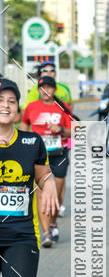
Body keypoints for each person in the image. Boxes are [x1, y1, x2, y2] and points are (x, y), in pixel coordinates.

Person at [0, 77, 59, 277]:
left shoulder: (30, 142)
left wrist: (48, 186)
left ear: (18, 108)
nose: (5, 106)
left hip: (20, 236)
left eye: (10, 101)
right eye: (0, 101)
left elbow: (45, 176)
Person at [21, 76, 72, 247]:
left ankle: (52, 222)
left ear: (54, 90)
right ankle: (47, 234)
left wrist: (61, 129)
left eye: (49, 88)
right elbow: (23, 125)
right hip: (39, 156)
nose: (45, 91)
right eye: (42, 88)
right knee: (41, 192)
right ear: (38, 90)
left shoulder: (63, 108)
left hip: (58, 153)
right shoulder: (31, 107)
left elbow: (75, 131)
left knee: (56, 194)